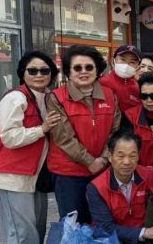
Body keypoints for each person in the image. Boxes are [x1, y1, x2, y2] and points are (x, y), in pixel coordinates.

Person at [0, 51, 61, 244]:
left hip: (35, 176)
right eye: (33, 70)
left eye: (44, 70)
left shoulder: (47, 97)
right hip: (12, 176)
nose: (39, 75)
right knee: (19, 233)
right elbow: (10, 137)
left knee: (34, 231)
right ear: (22, 73)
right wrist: (42, 129)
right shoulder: (16, 98)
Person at [47, 45, 122, 223]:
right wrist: (90, 161)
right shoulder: (56, 97)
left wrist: (103, 159)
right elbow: (64, 137)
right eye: (77, 68)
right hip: (69, 173)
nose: (83, 72)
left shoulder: (110, 95)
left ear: (97, 70)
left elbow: (115, 131)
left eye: (89, 67)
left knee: (102, 222)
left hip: (102, 170)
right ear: (68, 72)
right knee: (73, 225)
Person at [100, 45, 141, 112]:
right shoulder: (102, 83)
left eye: (132, 62)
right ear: (113, 62)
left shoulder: (138, 88)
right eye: (123, 60)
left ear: (138, 67)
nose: (126, 65)